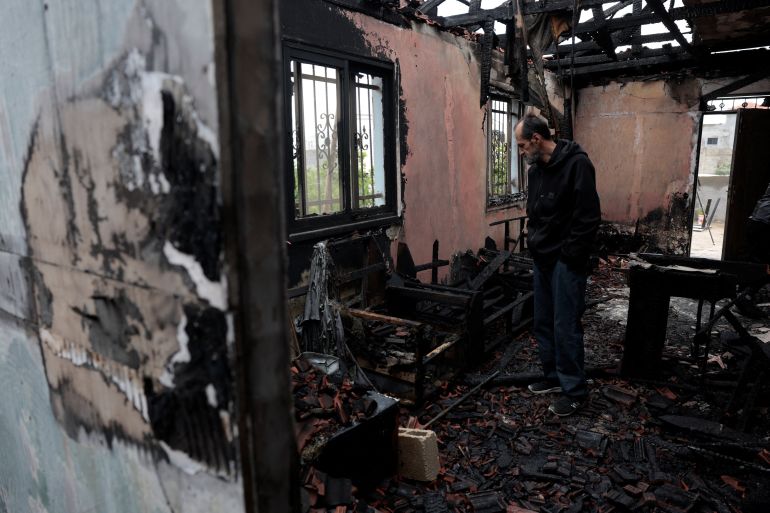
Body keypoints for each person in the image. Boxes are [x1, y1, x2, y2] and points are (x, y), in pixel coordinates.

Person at [515, 112, 601, 417]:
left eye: (523, 145)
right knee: (543, 320)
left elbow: (588, 218)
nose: (522, 152)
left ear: (537, 140)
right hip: (543, 258)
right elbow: (537, 213)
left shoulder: (578, 165)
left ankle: (575, 391)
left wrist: (569, 255)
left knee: (565, 324)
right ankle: (552, 377)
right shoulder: (536, 170)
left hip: (566, 260)